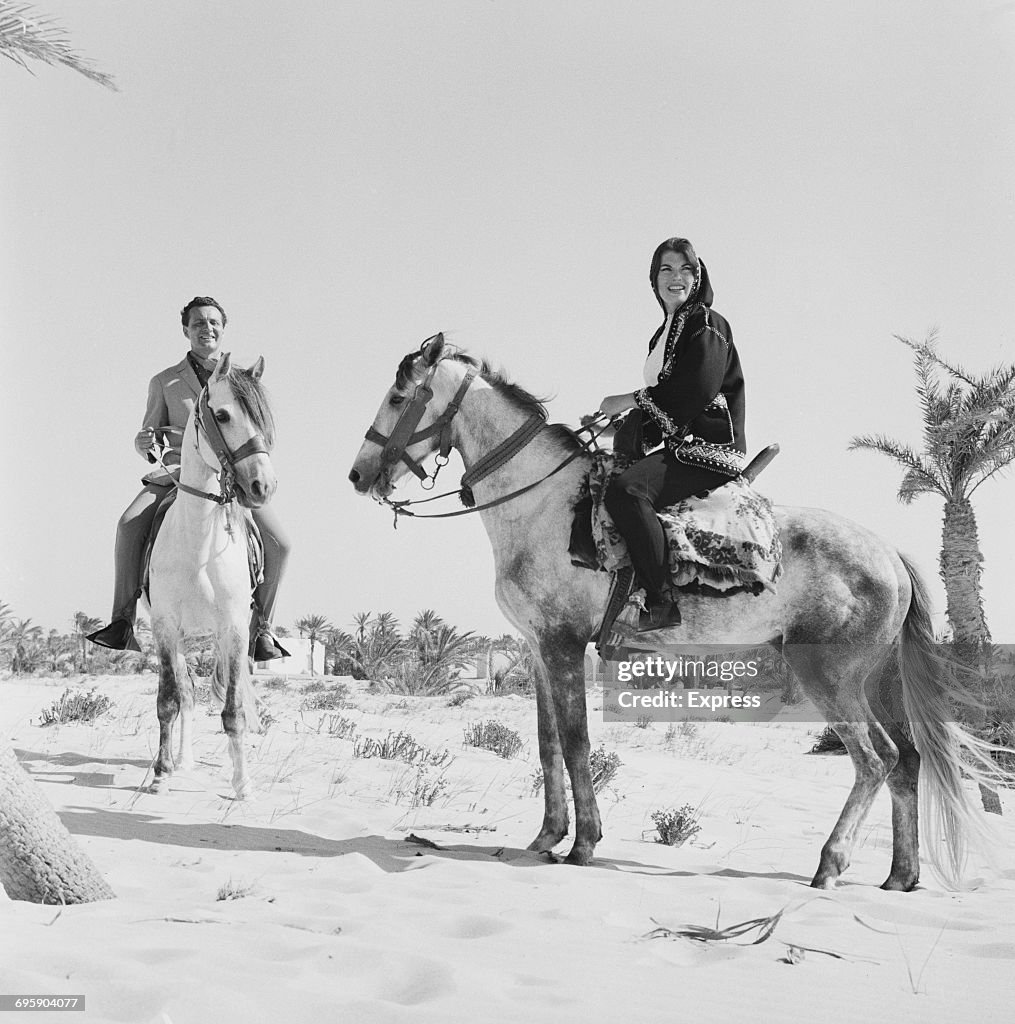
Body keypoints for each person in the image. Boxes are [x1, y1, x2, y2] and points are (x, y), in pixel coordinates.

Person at [87, 296, 292, 661]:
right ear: (186, 331)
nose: (206, 328)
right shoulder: (164, 381)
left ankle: (261, 629)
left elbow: (253, 432)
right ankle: (122, 621)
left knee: (281, 543)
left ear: (223, 329)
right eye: (198, 323)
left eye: (213, 322)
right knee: (129, 524)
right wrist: (143, 441)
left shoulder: (240, 382)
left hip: (228, 477)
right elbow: (148, 434)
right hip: (176, 474)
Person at [598, 238, 746, 632]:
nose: (675, 277)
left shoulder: (709, 324)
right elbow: (661, 404)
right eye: (666, 269)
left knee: (626, 492)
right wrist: (618, 422)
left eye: (685, 269)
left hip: (709, 450)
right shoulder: (662, 334)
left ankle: (659, 603)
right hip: (681, 447)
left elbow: (693, 391)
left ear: (698, 277)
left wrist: (628, 399)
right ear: (654, 280)